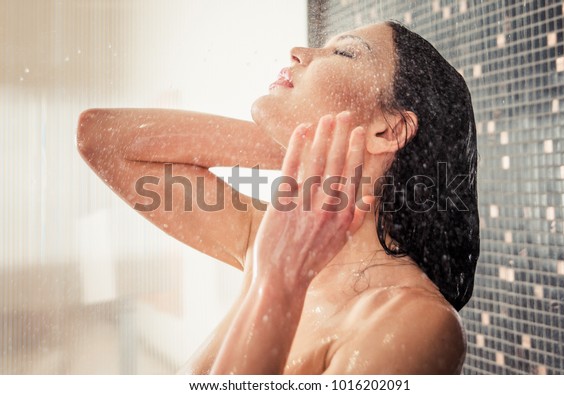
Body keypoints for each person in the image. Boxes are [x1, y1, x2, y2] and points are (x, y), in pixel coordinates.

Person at [77, 20, 479, 374]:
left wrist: (279, 279)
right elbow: (100, 138)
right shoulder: (267, 238)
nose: (299, 52)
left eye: (343, 52)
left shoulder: (414, 324)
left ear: (388, 130)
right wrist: (308, 149)